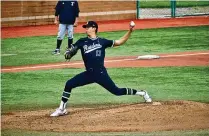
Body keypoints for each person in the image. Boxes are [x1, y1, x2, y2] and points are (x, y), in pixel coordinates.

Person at [50, 21, 152, 117]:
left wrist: (129, 31)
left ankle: (142, 93)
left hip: (101, 74)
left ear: (94, 28)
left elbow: (119, 42)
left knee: (117, 91)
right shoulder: (82, 41)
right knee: (69, 84)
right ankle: (62, 109)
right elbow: (73, 48)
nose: (86, 29)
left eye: (87, 27)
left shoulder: (102, 41)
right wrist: (70, 52)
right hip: (89, 74)